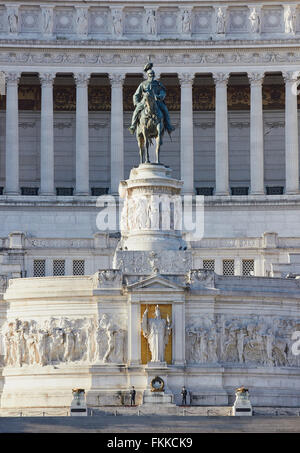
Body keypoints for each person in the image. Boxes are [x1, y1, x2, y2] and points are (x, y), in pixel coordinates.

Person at [129, 63, 175, 135]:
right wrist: (137, 103)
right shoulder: (143, 84)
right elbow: (136, 95)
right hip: (144, 101)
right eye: (150, 74)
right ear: (147, 75)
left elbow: (163, 92)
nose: (151, 76)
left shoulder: (157, 84)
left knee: (165, 110)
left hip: (157, 101)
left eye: (152, 74)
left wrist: (159, 96)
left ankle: (169, 126)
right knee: (136, 111)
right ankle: (133, 126)